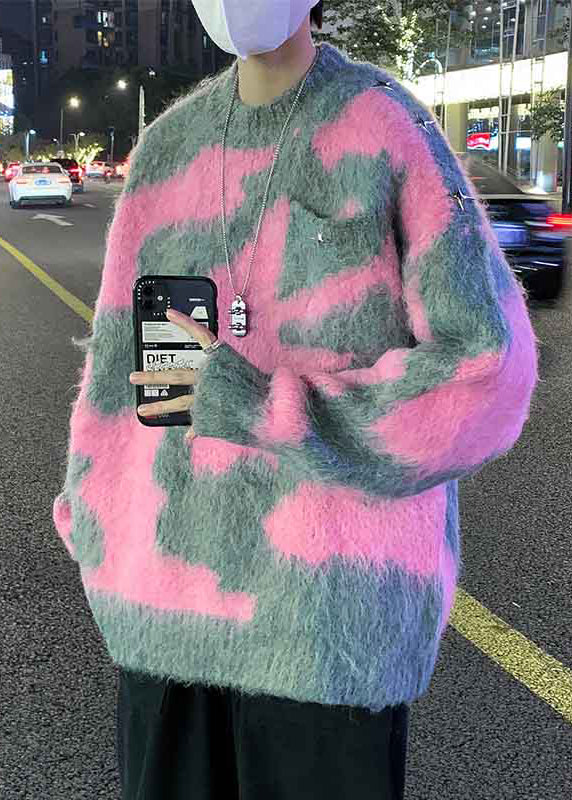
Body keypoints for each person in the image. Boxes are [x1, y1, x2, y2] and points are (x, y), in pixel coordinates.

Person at [52, 1, 539, 798]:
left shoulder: (384, 128)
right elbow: (117, 371)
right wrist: (92, 520)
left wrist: (271, 410)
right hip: (161, 612)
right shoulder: (168, 148)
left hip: (327, 631)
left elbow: (486, 373)